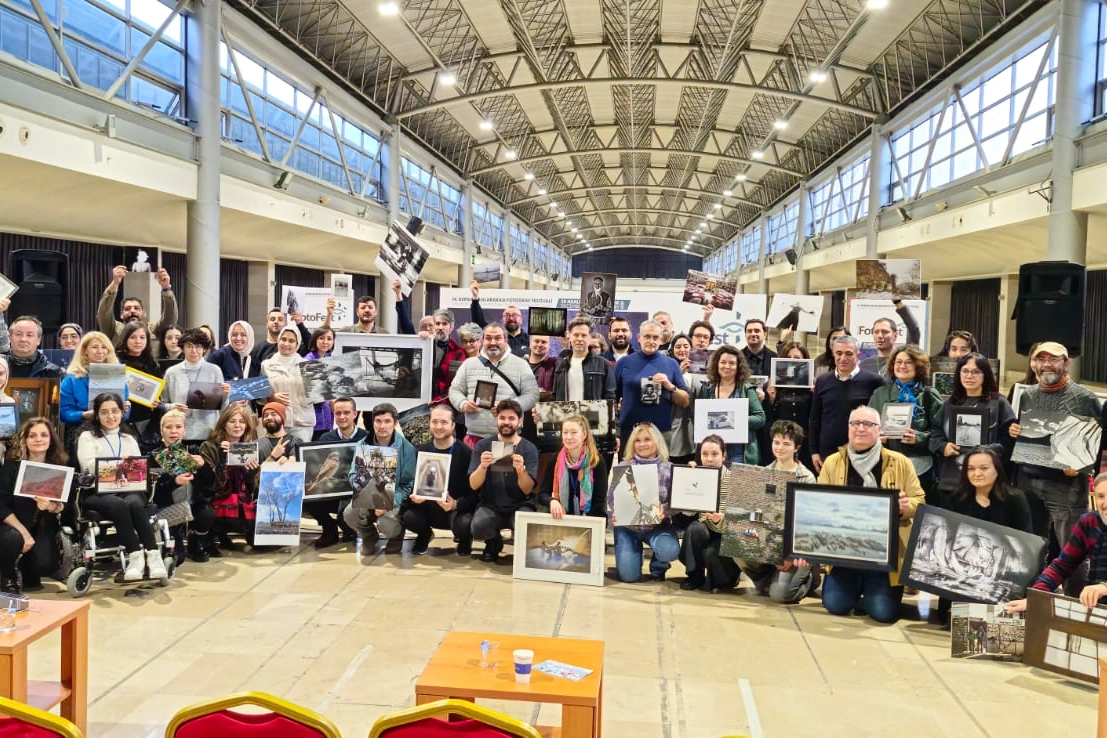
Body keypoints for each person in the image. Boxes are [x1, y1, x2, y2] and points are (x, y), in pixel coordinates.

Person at [1008, 341, 1102, 597]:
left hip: (1066, 487)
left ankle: (1075, 608)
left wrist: (1083, 467)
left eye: (1054, 359)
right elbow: (1023, 431)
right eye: (1041, 359)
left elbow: (1099, 440)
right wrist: (1014, 430)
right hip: (1028, 480)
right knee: (1032, 546)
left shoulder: (1086, 398)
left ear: (1066, 363)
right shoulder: (1026, 394)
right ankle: (1034, 603)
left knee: (1073, 551)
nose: (1046, 364)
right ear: (1033, 363)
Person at [816, 406, 925, 623]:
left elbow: (920, 500)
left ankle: (874, 589)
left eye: (868, 424)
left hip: (884, 555)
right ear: (848, 429)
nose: (860, 429)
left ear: (879, 430)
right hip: (844, 552)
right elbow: (819, 504)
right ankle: (857, 586)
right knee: (836, 605)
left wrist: (905, 507)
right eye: (855, 424)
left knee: (883, 613)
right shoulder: (832, 462)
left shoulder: (899, 461)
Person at [930, 447, 1032, 625]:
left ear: (997, 470)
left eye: (984, 468)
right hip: (964, 571)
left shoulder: (1015, 499)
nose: (977, 473)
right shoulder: (957, 498)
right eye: (971, 468)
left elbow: (1026, 545)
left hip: (1002, 573)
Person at [76, 393, 168, 581]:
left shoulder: (129, 438)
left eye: (115, 411)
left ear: (122, 412)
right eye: (104, 412)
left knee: (134, 503)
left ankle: (153, 554)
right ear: (97, 415)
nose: (110, 416)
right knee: (118, 504)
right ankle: (135, 556)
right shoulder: (87, 437)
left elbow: (138, 468)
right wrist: (120, 464)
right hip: (97, 490)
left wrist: (120, 466)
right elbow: (88, 466)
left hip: (129, 487)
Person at [1005, 472, 1107, 614]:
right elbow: (1062, 565)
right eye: (1101, 496)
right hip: (1097, 610)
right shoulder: (1089, 522)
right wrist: (1036, 597)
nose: (1105, 503)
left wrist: (1104, 587)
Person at [929, 353, 1016, 499]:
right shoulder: (950, 403)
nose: (969, 376)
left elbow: (1009, 442)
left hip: (987, 485)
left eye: (976, 372)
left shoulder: (999, 403)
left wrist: (985, 452)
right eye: (965, 371)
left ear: (985, 375)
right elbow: (935, 431)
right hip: (952, 481)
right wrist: (943, 447)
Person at [0, 418, 68, 593]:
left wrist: (51, 506)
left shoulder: (60, 467)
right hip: (12, 524)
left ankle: (23, 567)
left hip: (43, 525)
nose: (39, 439)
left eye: (44, 435)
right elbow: (1, 505)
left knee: (44, 566)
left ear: (51, 439)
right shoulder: (12, 466)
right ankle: (7, 575)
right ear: (25, 440)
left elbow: (64, 506)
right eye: (33, 436)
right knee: (12, 539)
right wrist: (23, 533)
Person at [467, 399, 538, 562]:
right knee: (478, 527)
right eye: (502, 418)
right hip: (490, 504)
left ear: (520, 421)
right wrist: (483, 467)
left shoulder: (529, 449)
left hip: (521, 504)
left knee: (527, 529)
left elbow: (527, 490)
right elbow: (473, 484)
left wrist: (521, 471)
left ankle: (521, 547)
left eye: (511, 418)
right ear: (496, 419)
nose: (506, 422)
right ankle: (493, 541)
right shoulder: (483, 446)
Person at [867, 345, 942, 495]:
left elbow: (941, 432)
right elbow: (868, 426)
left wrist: (919, 438)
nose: (902, 366)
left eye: (908, 362)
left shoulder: (929, 394)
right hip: (886, 465)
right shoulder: (880, 394)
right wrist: (876, 438)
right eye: (898, 362)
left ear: (918, 366)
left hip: (920, 467)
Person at [400, 404, 475, 555]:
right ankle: (424, 534)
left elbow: (476, 493)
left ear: (453, 425)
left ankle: (465, 539)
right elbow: (409, 485)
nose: (438, 426)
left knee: (464, 524)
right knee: (407, 517)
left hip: (455, 511)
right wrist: (414, 498)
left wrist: (456, 504)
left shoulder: (467, 453)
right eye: (434, 422)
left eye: (444, 422)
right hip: (427, 509)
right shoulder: (420, 452)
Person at [449, 322, 540, 446]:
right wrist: (463, 404)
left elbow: (532, 394)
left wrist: (510, 407)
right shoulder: (469, 364)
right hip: (473, 437)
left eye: (497, 338)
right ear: (482, 340)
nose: (493, 342)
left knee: (503, 466)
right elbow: (454, 390)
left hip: (507, 436)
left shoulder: (521, 365)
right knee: (475, 466)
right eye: (488, 338)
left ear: (505, 340)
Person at [610, 422, 679, 582]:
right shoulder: (624, 467)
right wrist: (615, 511)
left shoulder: (669, 469)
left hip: (658, 527)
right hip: (628, 528)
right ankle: (632, 554)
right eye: (637, 440)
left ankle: (658, 566)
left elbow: (677, 504)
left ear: (657, 442)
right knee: (629, 577)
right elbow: (611, 499)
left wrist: (666, 511)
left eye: (647, 439)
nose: (642, 444)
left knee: (669, 551)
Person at [346, 403, 416, 556]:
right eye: (378, 421)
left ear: (395, 423)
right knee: (349, 514)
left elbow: (407, 485)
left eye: (387, 421)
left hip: (392, 498)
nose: (382, 426)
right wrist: (362, 488)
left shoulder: (407, 449)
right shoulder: (362, 444)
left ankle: (396, 537)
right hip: (366, 494)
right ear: (373, 422)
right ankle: (369, 537)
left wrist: (390, 501)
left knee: (386, 522)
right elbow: (352, 474)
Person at [808, 334, 884, 473]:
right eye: (839, 353)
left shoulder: (874, 381)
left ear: (858, 355)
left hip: (863, 453)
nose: (843, 358)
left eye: (849, 353)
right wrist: (814, 451)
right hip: (828, 453)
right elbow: (815, 419)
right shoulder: (823, 381)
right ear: (833, 353)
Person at [613, 320, 689, 451]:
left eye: (655, 337)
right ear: (639, 338)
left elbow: (685, 401)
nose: (651, 341)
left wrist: (669, 385)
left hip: (661, 432)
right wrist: (616, 431)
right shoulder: (624, 363)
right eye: (647, 336)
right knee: (628, 471)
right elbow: (612, 399)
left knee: (661, 471)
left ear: (661, 340)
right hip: (629, 432)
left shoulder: (671, 364)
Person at [195, 405, 260, 553]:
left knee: (260, 543)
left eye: (242, 421)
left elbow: (252, 486)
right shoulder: (210, 446)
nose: (237, 425)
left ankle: (242, 533)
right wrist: (223, 456)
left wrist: (252, 470)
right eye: (232, 421)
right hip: (217, 496)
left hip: (243, 499)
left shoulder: (248, 447)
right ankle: (215, 534)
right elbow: (211, 484)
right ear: (224, 424)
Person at [303, 397, 365, 549]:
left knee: (347, 515)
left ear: (355, 414)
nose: (342, 417)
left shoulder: (366, 437)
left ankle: (352, 529)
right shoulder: (326, 438)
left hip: (357, 493)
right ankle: (329, 529)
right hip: (332, 490)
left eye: (346, 413)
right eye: (338, 413)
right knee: (308, 499)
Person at [678, 435, 734, 592]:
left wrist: (721, 519)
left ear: (724, 456)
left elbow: (740, 521)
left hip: (726, 533)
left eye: (715, 454)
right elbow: (687, 513)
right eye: (705, 454)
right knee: (694, 528)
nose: (709, 459)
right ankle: (695, 576)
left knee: (711, 554)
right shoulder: (699, 475)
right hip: (706, 528)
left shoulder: (734, 479)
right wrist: (688, 479)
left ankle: (726, 579)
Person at [150, 410, 207, 564]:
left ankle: (197, 540)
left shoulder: (193, 450)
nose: (174, 431)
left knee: (207, 512)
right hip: (167, 505)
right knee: (178, 559)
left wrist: (204, 466)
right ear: (161, 430)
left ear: (185, 430)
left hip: (192, 501)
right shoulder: (154, 455)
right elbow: (153, 493)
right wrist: (174, 482)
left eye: (178, 427)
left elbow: (209, 484)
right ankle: (174, 538)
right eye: (169, 427)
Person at [694, 344, 765, 464]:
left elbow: (760, 418)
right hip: (712, 454)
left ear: (738, 366)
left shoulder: (747, 389)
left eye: (732, 363)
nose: (727, 366)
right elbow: (699, 419)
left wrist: (732, 420)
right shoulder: (707, 389)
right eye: (723, 362)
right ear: (717, 364)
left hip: (739, 454)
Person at [163, 329, 227, 446]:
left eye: (198, 346)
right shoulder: (172, 373)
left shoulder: (214, 371)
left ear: (204, 349)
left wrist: (226, 396)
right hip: (179, 434)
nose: (194, 351)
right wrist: (173, 406)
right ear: (182, 348)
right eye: (189, 346)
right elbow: (162, 404)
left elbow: (223, 407)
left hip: (209, 433)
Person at [538, 414, 609, 519]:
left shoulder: (596, 461)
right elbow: (542, 494)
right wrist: (552, 501)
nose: (568, 437)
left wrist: (582, 521)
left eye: (574, 432)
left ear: (584, 434)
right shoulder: (555, 459)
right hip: (563, 516)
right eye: (565, 432)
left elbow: (599, 500)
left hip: (590, 516)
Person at [96, 264, 178, 355]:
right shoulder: (114, 329)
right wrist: (115, 283)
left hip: (149, 368)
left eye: (136, 308)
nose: (132, 311)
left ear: (144, 313)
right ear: (121, 314)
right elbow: (103, 312)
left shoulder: (153, 329)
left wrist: (166, 289)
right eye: (127, 309)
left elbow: (170, 319)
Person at [60, 331, 128, 432]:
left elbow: (125, 413)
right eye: (95, 347)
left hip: (113, 429)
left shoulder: (117, 376)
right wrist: (83, 415)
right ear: (85, 351)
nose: (100, 351)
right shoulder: (71, 380)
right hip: (82, 429)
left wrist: (125, 411)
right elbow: (64, 413)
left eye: (104, 347)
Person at [765, 342, 814, 470]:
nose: (793, 361)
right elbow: (769, 415)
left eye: (797, 358)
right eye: (789, 358)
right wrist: (770, 398)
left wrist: (816, 394)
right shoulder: (774, 384)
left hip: (804, 443)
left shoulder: (812, 385)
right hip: (781, 441)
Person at [260, 327, 313, 442]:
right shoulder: (266, 365)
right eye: (283, 339)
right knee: (276, 457)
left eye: (291, 341)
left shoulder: (308, 366)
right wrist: (271, 397)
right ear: (278, 341)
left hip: (302, 423)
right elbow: (260, 397)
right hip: (276, 422)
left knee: (298, 458)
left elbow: (319, 393)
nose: (286, 343)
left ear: (297, 343)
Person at [114, 322, 163, 443]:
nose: (138, 341)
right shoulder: (115, 362)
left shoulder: (153, 365)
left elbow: (158, 395)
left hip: (146, 422)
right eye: (133, 337)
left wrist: (157, 401)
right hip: (121, 419)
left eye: (142, 337)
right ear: (125, 339)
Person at [551, 317, 616, 403]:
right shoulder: (561, 365)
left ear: (590, 337)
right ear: (569, 336)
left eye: (584, 335)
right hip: (566, 416)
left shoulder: (604, 365)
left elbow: (610, 399)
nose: (580, 339)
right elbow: (555, 396)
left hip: (592, 416)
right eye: (576, 335)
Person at [858, 302, 922, 377]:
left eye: (885, 332)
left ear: (895, 336)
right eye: (876, 332)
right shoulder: (864, 365)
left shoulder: (903, 360)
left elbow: (914, 330)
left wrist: (898, 302)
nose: (880, 336)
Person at [469, 282, 529, 358]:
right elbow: (478, 323)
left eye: (514, 315)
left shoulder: (529, 340)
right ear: (502, 319)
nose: (510, 318)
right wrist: (475, 298)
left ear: (521, 319)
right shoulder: (495, 336)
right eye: (507, 315)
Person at [0, 315, 64, 379]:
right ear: (10, 337)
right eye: (18, 334)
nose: (23, 339)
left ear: (39, 340)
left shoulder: (53, 372)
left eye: (29, 335)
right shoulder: (1, 364)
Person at [301, 327, 336, 440]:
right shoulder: (307, 361)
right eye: (321, 338)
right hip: (313, 414)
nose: (325, 342)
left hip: (327, 413)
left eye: (329, 339)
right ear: (315, 340)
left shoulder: (330, 358)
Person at [427, 309, 465, 406]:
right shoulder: (424, 346)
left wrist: (438, 401)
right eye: (437, 323)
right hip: (420, 403)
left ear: (451, 327)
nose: (440, 327)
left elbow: (457, 384)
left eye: (444, 324)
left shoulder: (458, 352)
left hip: (443, 405)